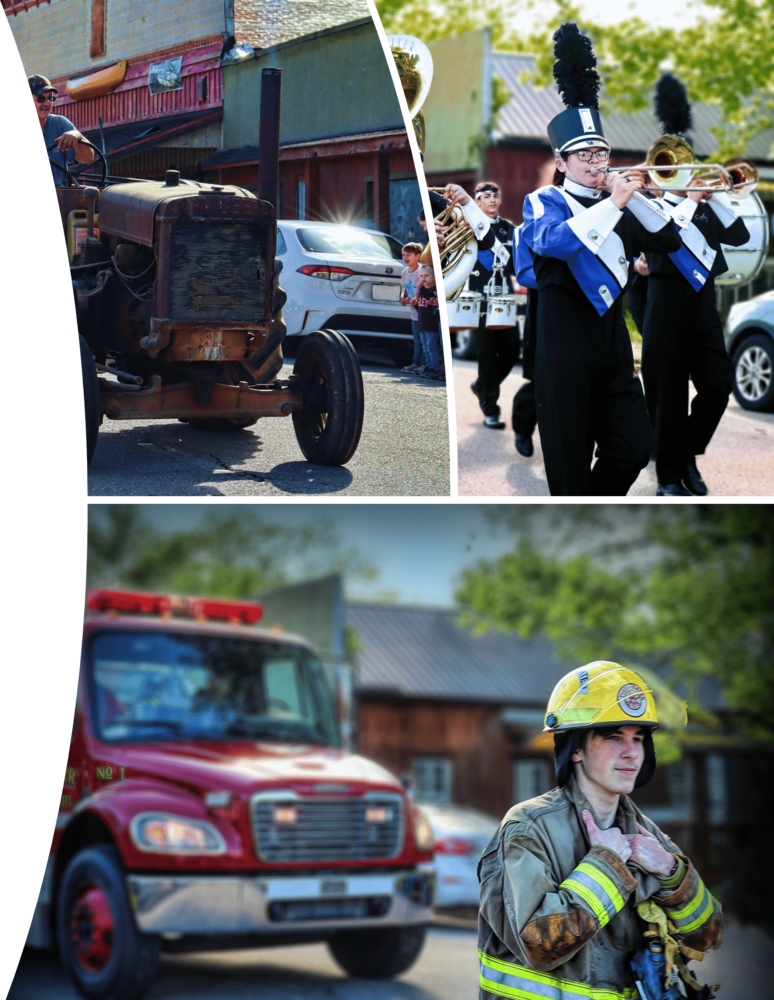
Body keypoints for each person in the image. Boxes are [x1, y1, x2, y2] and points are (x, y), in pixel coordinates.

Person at [497, 23, 681, 497]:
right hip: (564, 343)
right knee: (568, 463)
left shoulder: (619, 201)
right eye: (582, 153)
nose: (595, 160)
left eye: (599, 150)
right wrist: (613, 204)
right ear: (561, 162)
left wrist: (641, 198)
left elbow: (669, 242)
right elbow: (553, 243)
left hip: (613, 342)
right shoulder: (544, 200)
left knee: (634, 448)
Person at [478, 661, 722, 1000]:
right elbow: (539, 945)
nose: (631, 753)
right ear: (575, 748)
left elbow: (707, 935)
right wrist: (606, 865)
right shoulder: (527, 829)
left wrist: (671, 872)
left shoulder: (645, 834)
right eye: (613, 737)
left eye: (638, 739)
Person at [641, 75, 749, 499]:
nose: (681, 169)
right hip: (665, 302)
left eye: (686, 162)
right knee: (668, 394)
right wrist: (687, 200)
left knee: (719, 384)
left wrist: (715, 196)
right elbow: (663, 237)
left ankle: (685, 453)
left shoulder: (702, 204)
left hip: (703, 302)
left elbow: (738, 237)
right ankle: (669, 477)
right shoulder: (651, 204)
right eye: (673, 163)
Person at [462, 182, 520, 430]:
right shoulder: (468, 229)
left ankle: (482, 385)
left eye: (496, 195)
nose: (493, 199)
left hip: (505, 299)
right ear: (477, 202)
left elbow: (517, 265)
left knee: (510, 352)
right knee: (487, 354)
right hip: (480, 299)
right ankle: (490, 409)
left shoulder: (510, 229)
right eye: (486, 196)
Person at [30, 74, 94, 186]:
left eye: (50, 98)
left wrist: (77, 136)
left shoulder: (60, 124)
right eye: (41, 98)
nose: (47, 103)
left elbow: (87, 158)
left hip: (61, 197)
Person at [411, 265, 444, 380]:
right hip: (423, 325)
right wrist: (415, 305)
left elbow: (430, 297)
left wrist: (421, 289)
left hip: (431, 325)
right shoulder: (421, 292)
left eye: (426, 275)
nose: (423, 278)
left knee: (431, 347)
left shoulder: (433, 291)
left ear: (434, 277)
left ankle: (435, 368)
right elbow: (421, 308)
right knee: (426, 348)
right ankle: (428, 366)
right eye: (421, 276)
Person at [399, 241, 425, 373]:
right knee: (417, 340)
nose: (405, 258)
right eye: (403, 255)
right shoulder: (405, 272)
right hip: (414, 313)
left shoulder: (422, 271)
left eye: (408, 255)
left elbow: (423, 291)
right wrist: (403, 298)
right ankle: (416, 363)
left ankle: (425, 365)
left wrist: (411, 301)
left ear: (418, 256)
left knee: (425, 340)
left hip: (423, 312)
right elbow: (405, 288)